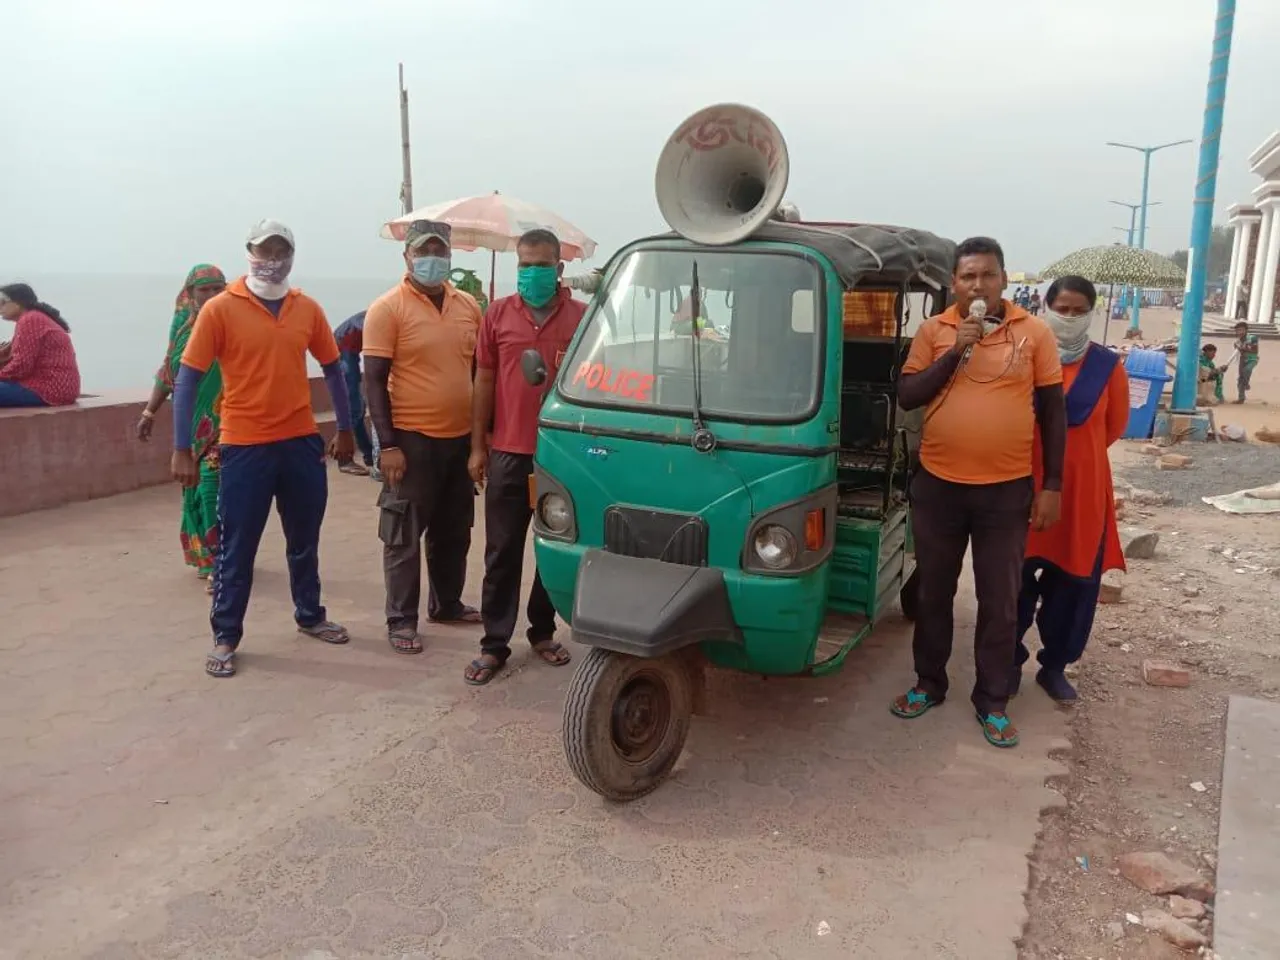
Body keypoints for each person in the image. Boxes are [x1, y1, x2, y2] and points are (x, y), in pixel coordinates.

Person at [890, 236, 1066, 748]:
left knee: (1000, 600)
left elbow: (1054, 414)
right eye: (968, 277)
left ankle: (992, 700)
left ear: (1004, 280)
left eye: (987, 275)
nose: (978, 285)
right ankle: (929, 682)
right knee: (933, 592)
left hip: (1005, 492)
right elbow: (909, 396)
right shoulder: (934, 330)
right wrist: (958, 347)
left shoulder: (1034, 333)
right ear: (954, 284)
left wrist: (1050, 485)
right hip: (939, 487)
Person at [172, 219, 356, 678]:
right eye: (264, 250)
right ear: (249, 252)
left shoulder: (305, 308)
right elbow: (188, 377)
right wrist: (181, 447)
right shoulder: (220, 309)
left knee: (304, 538)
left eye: (280, 251)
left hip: (299, 443)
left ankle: (310, 615)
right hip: (244, 445)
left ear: (291, 255)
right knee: (238, 545)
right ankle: (226, 634)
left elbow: (333, 368)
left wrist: (347, 428)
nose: (271, 259)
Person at [465, 228, 586, 685]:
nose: (531, 272)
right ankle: (494, 643)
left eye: (540, 264)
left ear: (558, 269)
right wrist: (478, 445)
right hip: (508, 454)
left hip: (561, 456)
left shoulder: (581, 318)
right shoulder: (497, 315)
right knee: (501, 551)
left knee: (553, 548)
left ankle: (542, 630)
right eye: (524, 264)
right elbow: (483, 381)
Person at [363, 220, 485, 654]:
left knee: (455, 529)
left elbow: (478, 373)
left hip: (459, 439)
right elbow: (374, 381)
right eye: (423, 250)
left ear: (450, 255)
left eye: (439, 250)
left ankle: (447, 604)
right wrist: (389, 445)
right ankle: (401, 620)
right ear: (408, 256)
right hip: (410, 440)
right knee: (402, 534)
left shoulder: (468, 305)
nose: (432, 258)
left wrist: (478, 442)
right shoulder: (388, 308)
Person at [1014, 276, 1128, 703]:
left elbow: (1113, 427)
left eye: (1080, 310)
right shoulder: (1024, 355)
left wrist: (1076, 461)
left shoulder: (1107, 366)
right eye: (1062, 308)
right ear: (1046, 306)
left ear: (1093, 313)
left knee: (1075, 585)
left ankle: (1055, 665)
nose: (1070, 317)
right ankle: (1006, 663)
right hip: (1022, 487)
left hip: (1081, 497)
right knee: (1013, 580)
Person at [137, 264, 228, 588]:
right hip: (191, 428)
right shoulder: (182, 331)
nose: (212, 295)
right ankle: (209, 557)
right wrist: (149, 412)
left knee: (210, 486)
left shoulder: (233, 325)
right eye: (205, 289)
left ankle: (222, 565)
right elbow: (169, 374)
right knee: (194, 488)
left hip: (228, 424)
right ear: (190, 294)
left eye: (219, 288)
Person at [0, 283, 80, 407]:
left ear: (18, 302)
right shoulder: (35, 318)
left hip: (47, 388)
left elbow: (21, 366)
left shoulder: (31, 320)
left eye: (3, 302)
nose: (0, 307)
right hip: (59, 389)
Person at [333, 310, 381, 478]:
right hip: (342, 350)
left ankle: (368, 456)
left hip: (349, 352)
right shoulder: (379, 314)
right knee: (353, 407)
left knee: (358, 408)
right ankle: (344, 460)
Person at [1233, 321, 1260, 404]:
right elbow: (1238, 352)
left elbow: (1255, 351)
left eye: (1241, 330)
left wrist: (1242, 349)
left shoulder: (1253, 338)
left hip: (1252, 359)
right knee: (1240, 378)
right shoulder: (1237, 341)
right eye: (1238, 330)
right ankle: (1241, 398)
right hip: (1242, 360)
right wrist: (1236, 348)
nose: (1240, 332)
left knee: (1247, 370)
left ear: (1246, 330)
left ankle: (1246, 383)